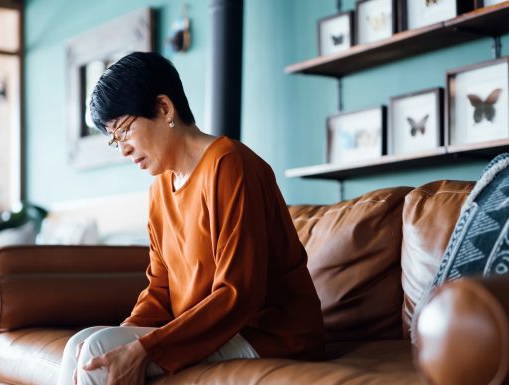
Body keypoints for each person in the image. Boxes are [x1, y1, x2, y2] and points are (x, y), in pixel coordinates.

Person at [57, 52, 324, 385]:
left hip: (268, 334)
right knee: (83, 345)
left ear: (165, 108)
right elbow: (159, 291)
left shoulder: (230, 165)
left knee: (97, 350)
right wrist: (126, 336)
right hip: (210, 331)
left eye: (123, 131)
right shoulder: (159, 191)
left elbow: (238, 294)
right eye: (114, 139)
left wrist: (144, 350)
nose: (122, 149)